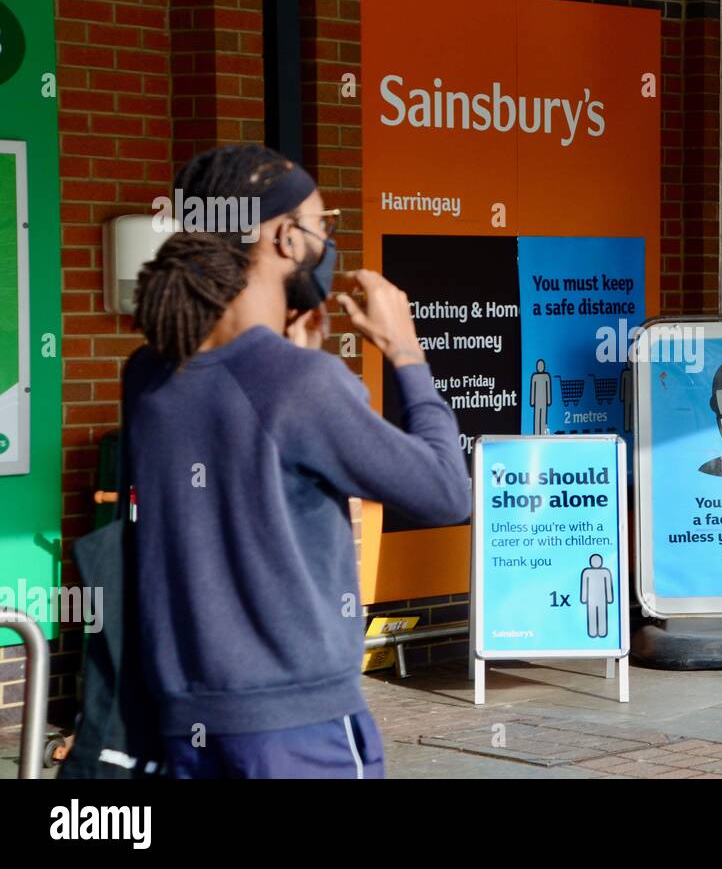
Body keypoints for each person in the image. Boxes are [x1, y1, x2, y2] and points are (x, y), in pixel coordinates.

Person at [124, 144, 470, 778]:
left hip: (180, 725)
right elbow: (447, 492)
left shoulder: (146, 374)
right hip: (297, 733)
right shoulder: (297, 383)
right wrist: (407, 354)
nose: (325, 242)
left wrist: (298, 364)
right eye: (321, 224)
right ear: (285, 238)